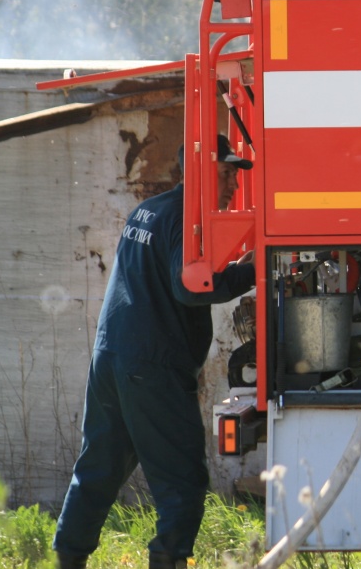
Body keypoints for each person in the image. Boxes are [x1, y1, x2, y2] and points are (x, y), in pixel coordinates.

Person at [54, 134, 256, 569]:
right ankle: (168, 559)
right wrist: (250, 273)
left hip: (110, 357)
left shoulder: (149, 209)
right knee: (182, 479)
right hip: (152, 366)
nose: (232, 187)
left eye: (235, 177)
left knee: (99, 468)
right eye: (226, 174)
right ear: (201, 172)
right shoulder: (188, 217)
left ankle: (68, 558)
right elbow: (190, 287)